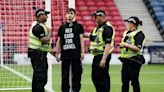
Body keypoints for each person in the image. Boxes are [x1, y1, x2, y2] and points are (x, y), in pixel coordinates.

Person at [84, 10, 115, 92]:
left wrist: (104, 59)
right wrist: (79, 32)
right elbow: (92, 37)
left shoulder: (107, 28)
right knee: (95, 76)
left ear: (101, 16)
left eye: (95, 16)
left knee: (102, 77)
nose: (94, 18)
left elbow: (108, 44)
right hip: (97, 55)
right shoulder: (98, 28)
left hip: (103, 55)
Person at [55, 8, 85, 92]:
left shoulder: (79, 26)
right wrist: (57, 53)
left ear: (74, 15)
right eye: (68, 13)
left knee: (76, 75)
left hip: (76, 55)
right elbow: (59, 41)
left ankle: (75, 90)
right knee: (64, 76)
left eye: (71, 13)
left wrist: (83, 52)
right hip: (65, 55)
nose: (69, 15)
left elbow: (81, 40)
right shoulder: (62, 27)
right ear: (66, 15)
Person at [118, 16, 145, 92]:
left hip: (134, 60)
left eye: (129, 22)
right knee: (124, 82)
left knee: (134, 81)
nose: (128, 24)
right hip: (126, 60)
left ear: (133, 24)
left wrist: (125, 45)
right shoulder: (126, 33)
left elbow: (138, 48)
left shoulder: (139, 34)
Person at [28, 9, 52, 92]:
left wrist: (53, 53)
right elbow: (45, 40)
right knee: (41, 79)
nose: (47, 16)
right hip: (38, 56)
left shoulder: (39, 26)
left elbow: (44, 46)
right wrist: (50, 33)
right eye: (45, 15)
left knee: (37, 79)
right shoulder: (37, 27)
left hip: (38, 55)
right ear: (40, 15)